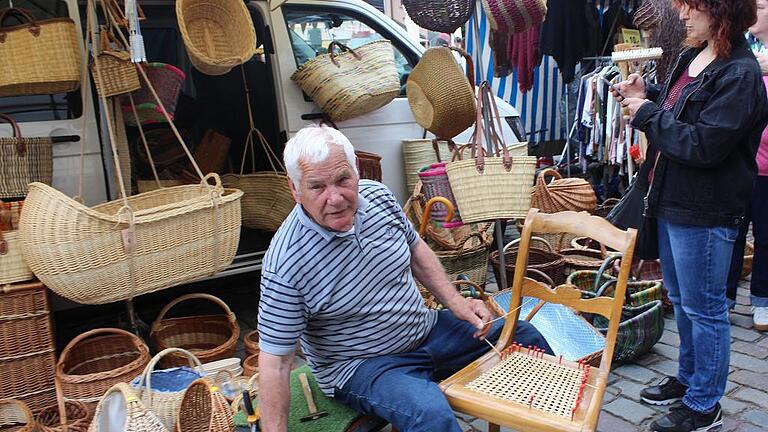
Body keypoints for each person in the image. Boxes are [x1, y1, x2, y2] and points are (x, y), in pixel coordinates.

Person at [257, 125, 552, 432]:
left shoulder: (378, 198)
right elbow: (275, 363)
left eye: (343, 179)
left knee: (525, 336)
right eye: (317, 187)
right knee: (429, 412)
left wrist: (456, 302)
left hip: (427, 332)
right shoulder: (287, 262)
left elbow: (416, 250)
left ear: (356, 171)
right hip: (364, 366)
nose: (335, 198)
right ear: (295, 189)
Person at [612, 1, 768, 431]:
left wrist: (647, 115)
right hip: (671, 200)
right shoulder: (692, 55)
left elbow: (704, 146)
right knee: (682, 301)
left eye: (691, 8)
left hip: (706, 208)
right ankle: (688, 379)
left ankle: (705, 405)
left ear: (721, 12)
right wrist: (644, 96)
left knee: (706, 309)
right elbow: (680, 106)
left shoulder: (739, 73)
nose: (682, 16)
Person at [725, 0, 768, 332]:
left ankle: (762, 301)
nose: (756, 12)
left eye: (763, 7)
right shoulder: (743, 53)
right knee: (732, 233)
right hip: (741, 162)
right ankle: (724, 299)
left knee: (766, 237)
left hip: (767, 168)